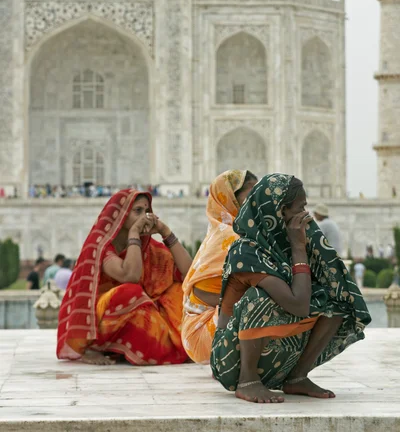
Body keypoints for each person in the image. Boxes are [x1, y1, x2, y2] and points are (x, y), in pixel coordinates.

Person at [211, 174, 371, 404]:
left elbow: (332, 286)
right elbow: (298, 305)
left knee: (336, 301)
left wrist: (306, 245)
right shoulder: (246, 251)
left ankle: (297, 377)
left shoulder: (281, 243)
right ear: (281, 212)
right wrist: (298, 248)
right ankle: (248, 381)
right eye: (301, 207)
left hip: (274, 357)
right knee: (260, 298)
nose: (306, 214)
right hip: (229, 359)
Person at [57, 189, 192, 366]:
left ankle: (152, 346)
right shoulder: (101, 246)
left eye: (146, 211)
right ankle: (94, 347)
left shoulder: (149, 247)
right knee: (130, 292)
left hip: (139, 315)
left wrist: (166, 232)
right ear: (121, 215)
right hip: (101, 320)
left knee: (180, 292)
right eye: (137, 211)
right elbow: (130, 276)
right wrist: (134, 234)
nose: (144, 216)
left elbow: (189, 272)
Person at [181, 170, 257, 363]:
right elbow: (202, 293)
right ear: (230, 199)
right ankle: (230, 368)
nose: (257, 203)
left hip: (213, 323)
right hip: (202, 331)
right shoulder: (228, 237)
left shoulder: (233, 232)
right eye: (250, 196)